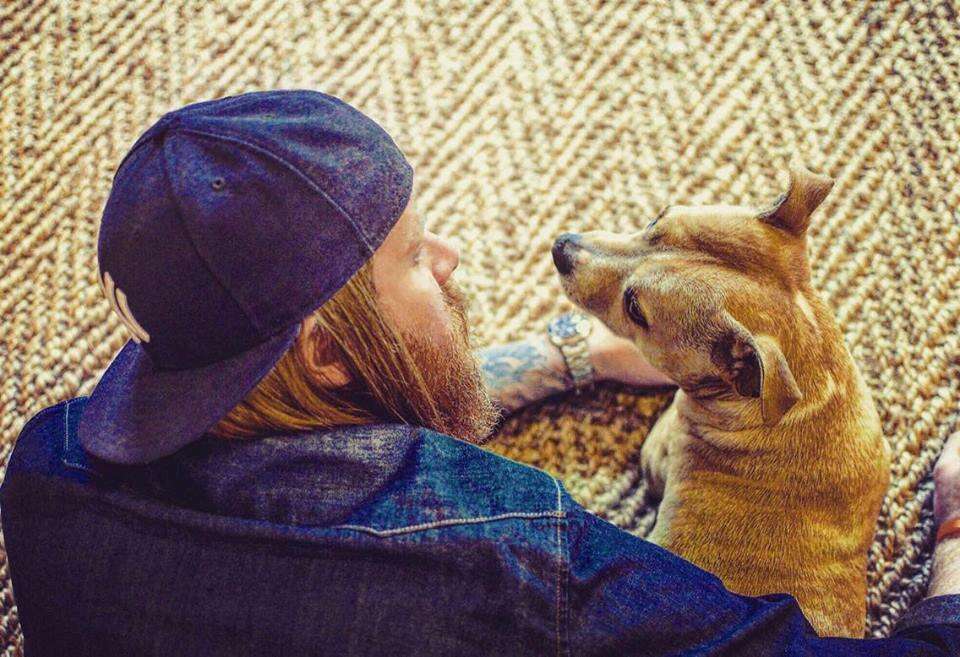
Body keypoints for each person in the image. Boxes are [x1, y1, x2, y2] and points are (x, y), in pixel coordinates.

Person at [9, 90, 960, 655]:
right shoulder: (505, 549)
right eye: (419, 258)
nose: (456, 259)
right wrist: (952, 539)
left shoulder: (42, 475)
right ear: (330, 354)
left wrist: (560, 356)